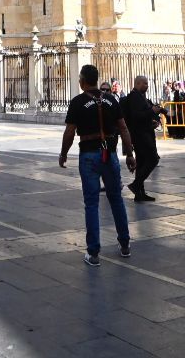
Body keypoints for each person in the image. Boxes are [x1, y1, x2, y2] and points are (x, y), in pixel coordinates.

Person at [59, 64, 135, 265]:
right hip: (109, 155)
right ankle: (125, 244)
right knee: (116, 199)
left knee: (91, 203)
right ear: (96, 79)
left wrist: (63, 154)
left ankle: (93, 253)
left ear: (82, 81)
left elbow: (69, 132)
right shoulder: (111, 99)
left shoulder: (77, 102)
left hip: (89, 156)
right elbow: (124, 128)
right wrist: (129, 154)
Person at [119, 74, 164, 201]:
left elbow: (142, 117)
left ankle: (139, 193)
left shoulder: (140, 97)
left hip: (143, 132)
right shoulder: (135, 97)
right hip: (140, 135)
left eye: (147, 83)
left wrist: (152, 122)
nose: (147, 85)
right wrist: (152, 111)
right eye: (144, 83)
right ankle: (136, 184)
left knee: (142, 162)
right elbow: (136, 116)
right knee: (153, 159)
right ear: (137, 84)